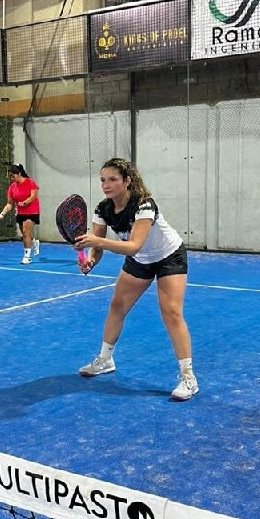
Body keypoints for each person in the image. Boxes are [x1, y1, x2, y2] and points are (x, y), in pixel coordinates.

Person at [74, 158, 198, 401]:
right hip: (141, 260)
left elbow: (133, 245)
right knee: (117, 306)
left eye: (113, 179)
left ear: (127, 181)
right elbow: (97, 249)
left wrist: (97, 241)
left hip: (169, 256)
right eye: (103, 180)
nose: (106, 185)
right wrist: (90, 260)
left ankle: (188, 377)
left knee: (171, 313)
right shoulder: (102, 209)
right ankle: (105, 359)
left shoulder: (144, 205)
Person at [0, 163, 40, 265]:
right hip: (20, 212)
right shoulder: (12, 187)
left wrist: (24, 203)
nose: (11, 178)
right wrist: (2, 214)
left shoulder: (30, 182)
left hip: (32, 210)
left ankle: (27, 257)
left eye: (13, 176)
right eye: (10, 176)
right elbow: (9, 204)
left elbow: (33, 196)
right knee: (25, 233)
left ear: (19, 173)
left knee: (25, 232)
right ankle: (34, 242)